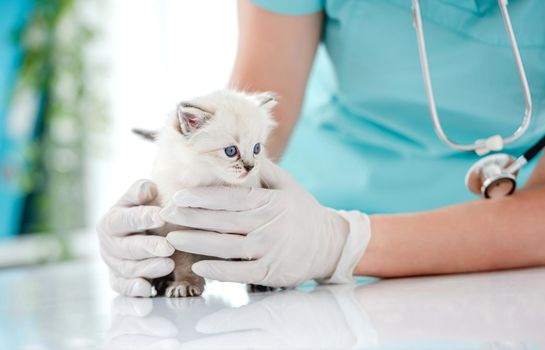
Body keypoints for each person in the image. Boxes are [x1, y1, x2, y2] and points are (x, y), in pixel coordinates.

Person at [97, 0, 545, 296]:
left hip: (514, 260)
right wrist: (171, 198)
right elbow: (254, 114)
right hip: (298, 244)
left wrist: (341, 242)